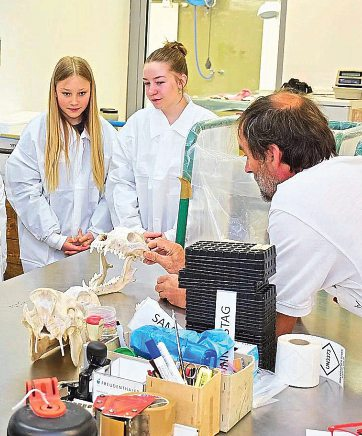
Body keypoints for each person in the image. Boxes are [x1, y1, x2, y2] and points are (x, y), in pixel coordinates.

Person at [143, 90, 362, 337]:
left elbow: (273, 325)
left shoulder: (296, 202)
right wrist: (194, 268)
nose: (247, 167)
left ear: (273, 154)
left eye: (247, 154)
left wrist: (196, 300)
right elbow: (279, 280)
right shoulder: (345, 171)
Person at [5, 56, 117, 272]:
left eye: (82, 93)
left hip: (90, 249)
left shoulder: (107, 135)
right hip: (44, 254)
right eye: (66, 93)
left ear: (91, 92)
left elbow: (113, 190)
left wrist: (94, 232)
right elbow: (24, 189)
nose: (74, 101)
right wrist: (55, 237)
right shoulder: (38, 132)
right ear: (54, 91)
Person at [106, 41, 216, 241]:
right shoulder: (137, 124)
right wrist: (135, 232)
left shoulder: (207, 127)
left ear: (181, 81)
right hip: (140, 244)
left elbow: (210, 197)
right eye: (147, 83)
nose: (151, 91)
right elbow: (120, 182)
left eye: (159, 82)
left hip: (189, 245)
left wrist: (173, 237)